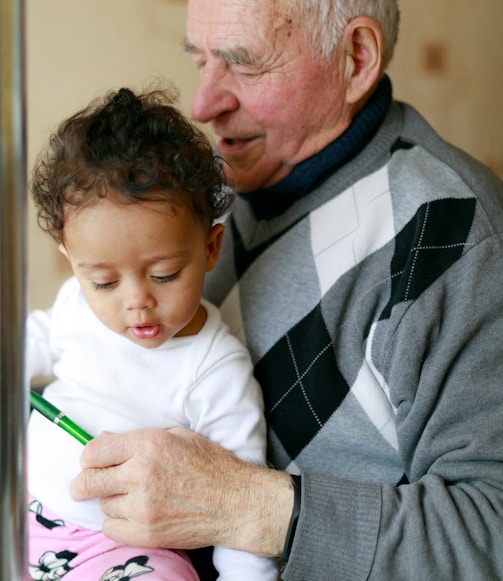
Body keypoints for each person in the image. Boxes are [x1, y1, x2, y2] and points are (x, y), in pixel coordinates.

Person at [70, 1, 503, 579]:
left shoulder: (455, 238)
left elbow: (492, 529)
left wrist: (242, 506)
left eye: (243, 64)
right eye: (200, 60)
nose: (204, 104)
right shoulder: (207, 193)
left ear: (356, 58)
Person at [25, 86, 279, 580]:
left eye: (163, 274)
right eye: (103, 281)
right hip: (25, 510)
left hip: (121, 552)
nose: (136, 300)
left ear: (210, 247)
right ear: (70, 257)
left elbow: (239, 515)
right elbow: (30, 343)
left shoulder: (215, 368)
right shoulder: (76, 307)